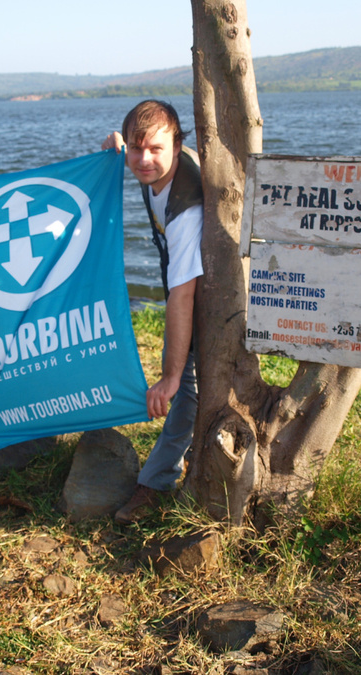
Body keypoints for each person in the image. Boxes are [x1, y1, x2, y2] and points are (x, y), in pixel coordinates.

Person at [101, 100, 203, 524]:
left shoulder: (187, 209)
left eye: (157, 149)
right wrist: (113, 146)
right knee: (193, 395)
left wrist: (171, 376)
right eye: (136, 149)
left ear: (177, 146)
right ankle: (171, 471)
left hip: (215, 298)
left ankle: (155, 481)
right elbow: (132, 143)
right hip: (190, 284)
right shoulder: (149, 163)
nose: (144, 160)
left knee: (188, 394)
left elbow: (182, 296)